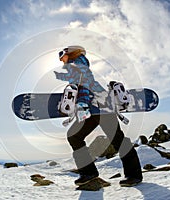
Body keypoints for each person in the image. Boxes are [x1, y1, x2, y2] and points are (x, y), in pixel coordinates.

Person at [54, 46, 143, 187]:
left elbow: (84, 84)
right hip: (92, 109)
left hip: (101, 107)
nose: (61, 60)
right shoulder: (75, 66)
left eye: (62, 56)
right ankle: (89, 173)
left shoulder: (78, 65)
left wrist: (81, 103)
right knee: (74, 136)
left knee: (116, 139)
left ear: (71, 53)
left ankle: (134, 175)